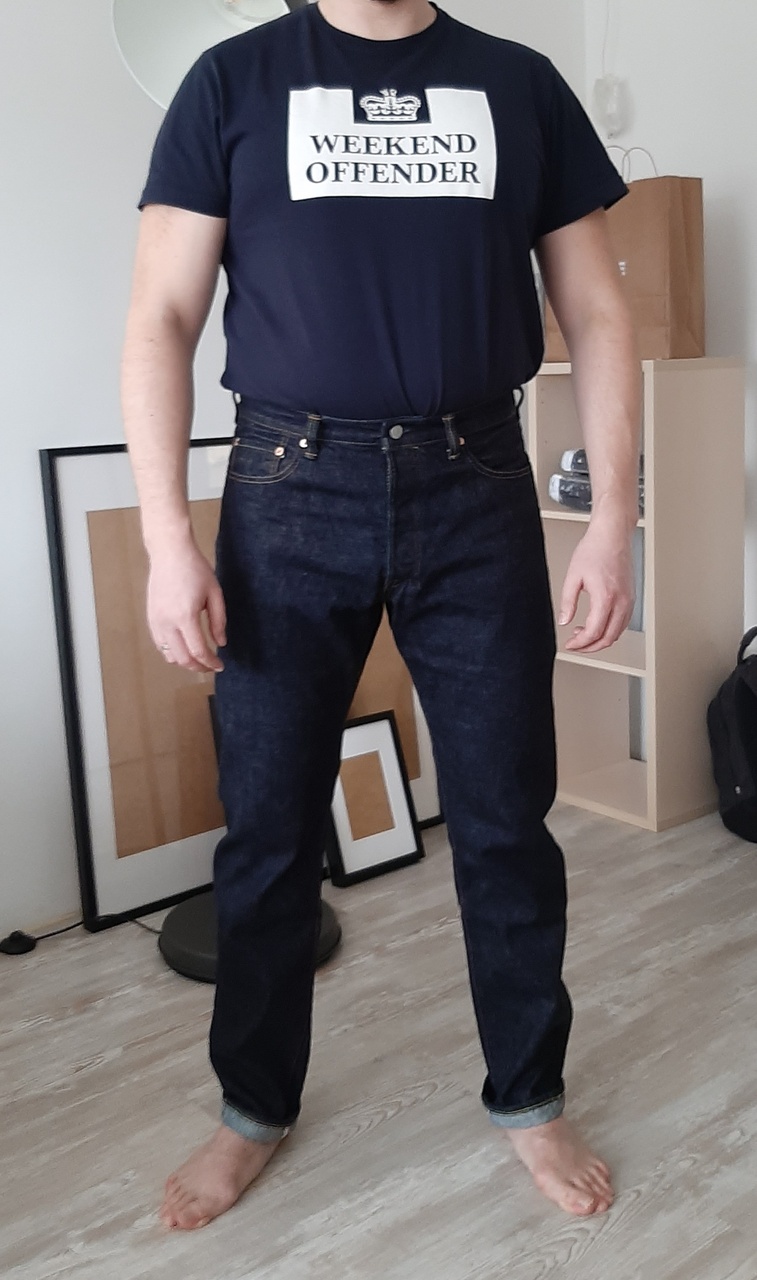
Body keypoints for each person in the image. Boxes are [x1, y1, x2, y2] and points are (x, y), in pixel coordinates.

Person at [121, 0, 641, 1233]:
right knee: (267, 829)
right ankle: (252, 1106)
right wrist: (165, 539)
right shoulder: (231, 82)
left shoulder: (519, 83)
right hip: (286, 488)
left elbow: (597, 313)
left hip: (478, 480)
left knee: (507, 820)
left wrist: (612, 517)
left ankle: (529, 1095)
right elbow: (161, 316)